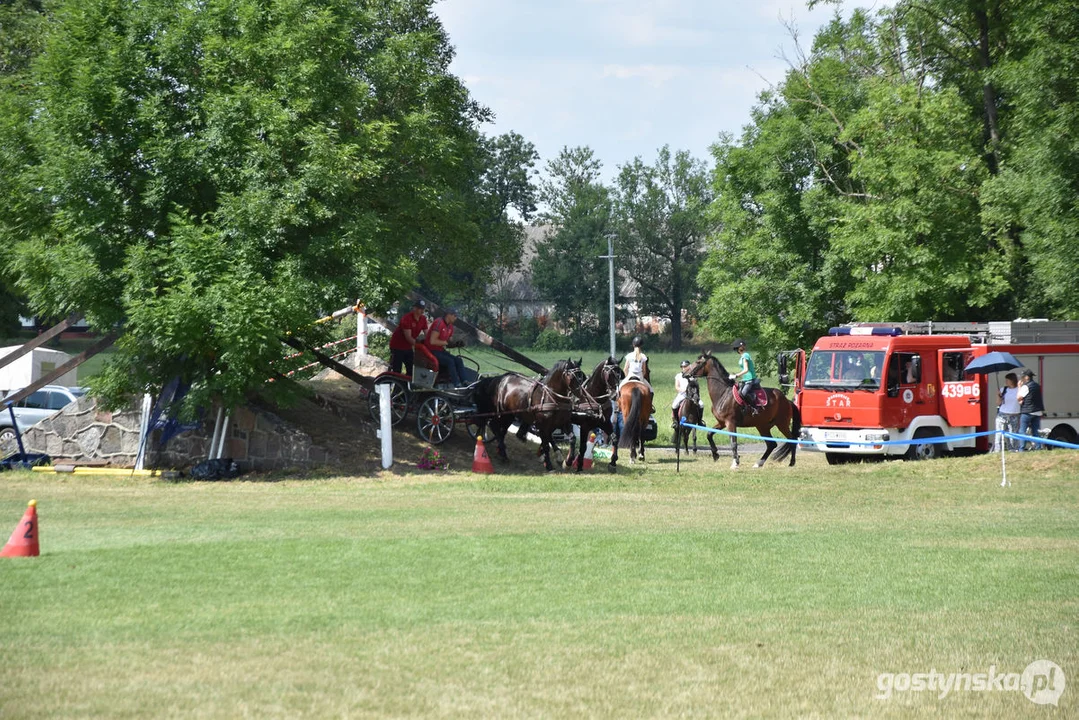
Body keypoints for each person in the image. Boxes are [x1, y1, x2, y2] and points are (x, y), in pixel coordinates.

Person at [424, 308, 466, 387]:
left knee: (458, 360)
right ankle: (456, 383)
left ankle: (464, 381)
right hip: (431, 351)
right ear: (448, 315)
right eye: (454, 316)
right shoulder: (439, 323)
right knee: (450, 361)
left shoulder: (450, 327)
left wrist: (456, 344)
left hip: (440, 351)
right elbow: (432, 341)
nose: (455, 318)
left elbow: (448, 343)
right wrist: (446, 343)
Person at [388, 299, 428, 375]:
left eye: (423, 309)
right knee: (397, 370)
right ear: (414, 308)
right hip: (397, 346)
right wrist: (420, 346)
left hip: (408, 347)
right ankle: (395, 385)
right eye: (420, 308)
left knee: (411, 369)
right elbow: (408, 338)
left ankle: (407, 386)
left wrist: (430, 344)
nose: (422, 311)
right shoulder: (407, 318)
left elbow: (427, 334)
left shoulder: (423, 319)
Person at [1016, 369, 1044, 452]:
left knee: (1022, 431)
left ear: (1027, 377)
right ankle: (1038, 448)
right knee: (1035, 431)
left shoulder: (1026, 386)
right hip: (1038, 412)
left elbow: (1018, 397)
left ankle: (1021, 449)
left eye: (1023, 377)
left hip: (1027, 412)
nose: (1022, 379)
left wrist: (1019, 387)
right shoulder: (1037, 385)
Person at [730, 339, 761, 411]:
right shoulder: (742, 356)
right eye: (740, 346)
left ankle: (755, 408)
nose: (742, 347)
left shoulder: (745, 355)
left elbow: (746, 369)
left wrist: (736, 375)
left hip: (750, 379)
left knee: (743, 394)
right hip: (745, 379)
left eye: (741, 346)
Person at [994, 372, 1020, 452]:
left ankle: (1013, 449)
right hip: (1002, 414)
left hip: (1014, 415)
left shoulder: (1019, 390)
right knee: (999, 434)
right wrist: (998, 396)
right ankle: (997, 450)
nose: (1006, 382)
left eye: (1007, 380)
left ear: (1012, 380)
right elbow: (998, 403)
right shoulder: (1003, 390)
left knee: (1012, 434)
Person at [672, 360, 691, 427]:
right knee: (674, 405)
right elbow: (677, 387)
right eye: (682, 367)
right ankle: (676, 421)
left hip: (691, 395)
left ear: (689, 367)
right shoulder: (678, 376)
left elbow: (695, 385)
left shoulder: (693, 376)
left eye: (685, 366)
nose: (683, 368)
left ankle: (700, 421)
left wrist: (690, 390)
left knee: (701, 404)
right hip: (682, 394)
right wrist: (682, 390)